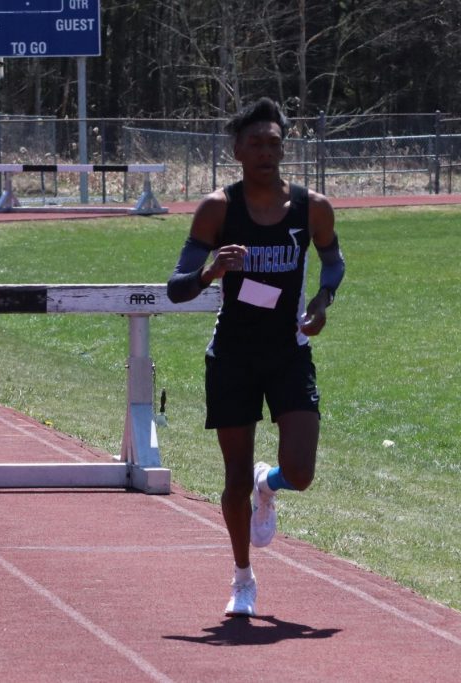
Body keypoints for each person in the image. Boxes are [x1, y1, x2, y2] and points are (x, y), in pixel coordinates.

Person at [166, 97, 345, 618]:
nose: (267, 151)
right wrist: (210, 272)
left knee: (302, 471)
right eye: (256, 143)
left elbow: (333, 260)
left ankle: (274, 485)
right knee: (234, 478)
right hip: (234, 356)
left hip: (288, 351)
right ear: (237, 151)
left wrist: (322, 300)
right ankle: (243, 577)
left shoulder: (314, 206)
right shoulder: (218, 209)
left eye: (275, 142)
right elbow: (177, 287)